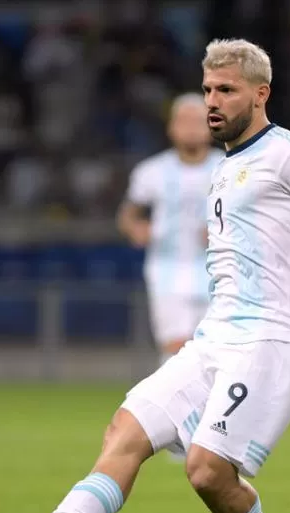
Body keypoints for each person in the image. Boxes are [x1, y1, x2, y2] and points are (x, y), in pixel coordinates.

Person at [0, 38, 290, 513]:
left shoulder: (289, 152)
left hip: (271, 341)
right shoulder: (227, 165)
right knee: (125, 430)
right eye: (209, 89)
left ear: (261, 94)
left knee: (207, 472)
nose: (212, 101)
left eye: (226, 91)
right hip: (215, 337)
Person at [118, 93, 224, 365]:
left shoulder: (228, 168)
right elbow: (128, 215)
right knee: (175, 348)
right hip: (167, 270)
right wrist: (136, 229)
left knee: (213, 350)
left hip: (219, 272)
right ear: (171, 128)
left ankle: (211, 407)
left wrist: (226, 231)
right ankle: (176, 407)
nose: (190, 127)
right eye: (183, 120)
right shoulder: (151, 171)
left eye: (197, 121)